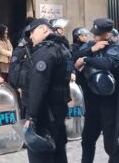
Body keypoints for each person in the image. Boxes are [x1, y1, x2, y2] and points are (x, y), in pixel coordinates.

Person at [23, 18, 71, 163]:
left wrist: (32, 117)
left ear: (44, 29)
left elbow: (38, 86)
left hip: (45, 114)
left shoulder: (44, 52)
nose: (31, 37)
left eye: (32, 32)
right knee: (58, 155)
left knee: (40, 156)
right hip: (58, 110)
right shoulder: (62, 48)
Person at [73, 18, 119, 163]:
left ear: (107, 35)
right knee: (87, 140)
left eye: (97, 34)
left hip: (109, 104)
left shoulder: (115, 48)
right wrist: (90, 50)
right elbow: (73, 57)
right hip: (92, 102)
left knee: (110, 145)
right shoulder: (91, 46)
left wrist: (87, 59)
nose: (94, 37)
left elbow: (108, 63)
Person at [8, 26, 33, 118]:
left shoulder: (35, 48)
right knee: (24, 110)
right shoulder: (20, 50)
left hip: (32, 84)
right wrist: (18, 86)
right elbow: (13, 69)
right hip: (22, 86)